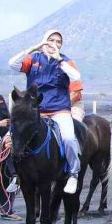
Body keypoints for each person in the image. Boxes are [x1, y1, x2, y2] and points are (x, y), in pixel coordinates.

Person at [8, 29, 82, 194]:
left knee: (69, 139)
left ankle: (73, 174)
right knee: (11, 137)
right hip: (35, 111)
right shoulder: (33, 59)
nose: (54, 44)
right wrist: (33, 48)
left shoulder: (66, 61)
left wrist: (59, 60)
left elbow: (76, 77)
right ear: (44, 41)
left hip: (59, 110)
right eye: (51, 40)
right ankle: (16, 175)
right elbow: (12, 64)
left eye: (58, 42)